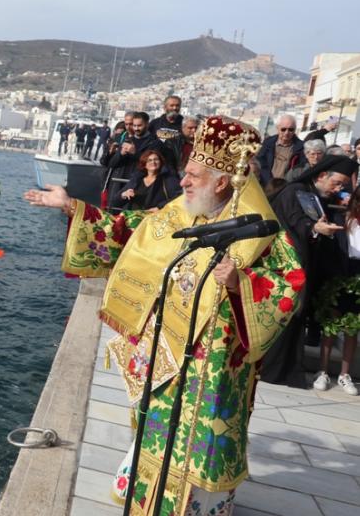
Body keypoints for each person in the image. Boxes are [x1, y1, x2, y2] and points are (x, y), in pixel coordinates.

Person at [24, 115, 302, 515]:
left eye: (192, 175)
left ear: (221, 182)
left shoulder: (262, 231)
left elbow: (288, 285)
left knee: (199, 439)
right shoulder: (181, 211)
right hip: (166, 353)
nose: (183, 181)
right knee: (156, 427)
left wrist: (240, 282)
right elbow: (133, 229)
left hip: (214, 365)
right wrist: (72, 207)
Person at [262, 154, 357, 387]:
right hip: (284, 268)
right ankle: (271, 370)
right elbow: (295, 221)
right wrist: (315, 228)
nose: (338, 189)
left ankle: (284, 370)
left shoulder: (316, 195)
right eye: (337, 183)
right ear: (322, 175)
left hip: (303, 267)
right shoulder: (295, 191)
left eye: (343, 185)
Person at [312, 182, 360, 395]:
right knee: (331, 323)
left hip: (358, 276)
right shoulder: (341, 219)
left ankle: (344, 374)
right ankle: (322, 370)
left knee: (352, 328)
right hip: (340, 273)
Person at [105, 112, 161, 210]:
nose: (136, 128)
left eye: (139, 125)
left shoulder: (154, 143)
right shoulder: (127, 140)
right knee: (114, 212)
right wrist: (120, 154)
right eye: (134, 125)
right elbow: (112, 164)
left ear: (147, 124)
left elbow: (153, 164)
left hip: (138, 185)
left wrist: (135, 153)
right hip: (119, 183)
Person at [255, 114, 306, 185]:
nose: (287, 133)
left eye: (291, 129)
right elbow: (261, 163)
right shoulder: (268, 143)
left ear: (295, 130)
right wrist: (269, 181)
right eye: (283, 129)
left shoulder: (301, 147)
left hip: (286, 186)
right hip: (266, 184)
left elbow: (300, 168)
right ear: (277, 129)